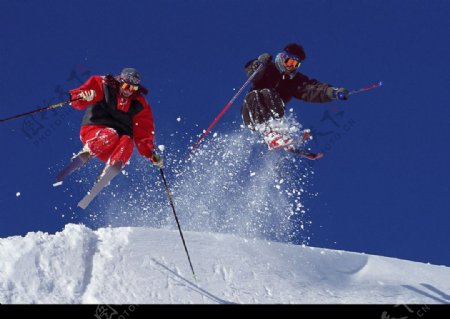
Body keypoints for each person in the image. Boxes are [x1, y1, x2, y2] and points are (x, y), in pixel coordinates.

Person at [56, 68, 163, 207]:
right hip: (94, 129)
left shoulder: (140, 105)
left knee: (127, 141)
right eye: (125, 86)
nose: (128, 91)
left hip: (114, 147)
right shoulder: (103, 83)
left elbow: (144, 133)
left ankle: (109, 170)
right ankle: (87, 152)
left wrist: (151, 153)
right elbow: (79, 96)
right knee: (110, 134)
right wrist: (82, 96)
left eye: (133, 88)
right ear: (119, 81)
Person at [241, 43, 350, 160]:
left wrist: (333, 92)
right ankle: (271, 133)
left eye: (295, 64)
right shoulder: (269, 68)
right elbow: (251, 73)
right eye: (289, 62)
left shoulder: (294, 81)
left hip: (273, 114)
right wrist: (259, 65)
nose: (290, 67)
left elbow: (312, 89)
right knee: (262, 93)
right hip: (251, 112)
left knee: (272, 96)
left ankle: (277, 135)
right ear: (282, 58)